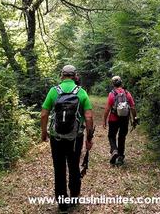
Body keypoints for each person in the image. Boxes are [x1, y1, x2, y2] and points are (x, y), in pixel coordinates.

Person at [41, 65, 94, 213]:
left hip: (56, 137)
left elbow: (44, 114)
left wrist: (44, 133)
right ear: (75, 76)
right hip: (75, 137)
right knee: (73, 165)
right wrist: (89, 138)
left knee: (59, 168)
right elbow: (89, 117)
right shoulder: (81, 92)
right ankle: (75, 196)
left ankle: (62, 201)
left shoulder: (54, 91)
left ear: (61, 75)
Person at [103, 75, 138, 166]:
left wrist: (104, 120)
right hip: (124, 119)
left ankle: (114, 150)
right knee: (122, 137)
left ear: (113, 84)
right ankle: (120, 157)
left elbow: (107, 109)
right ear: (121, 83)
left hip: (113, 119)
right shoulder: (127, 93)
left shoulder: (112, 94)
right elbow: (133, 107)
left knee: (111, 136)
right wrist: (135, 118)